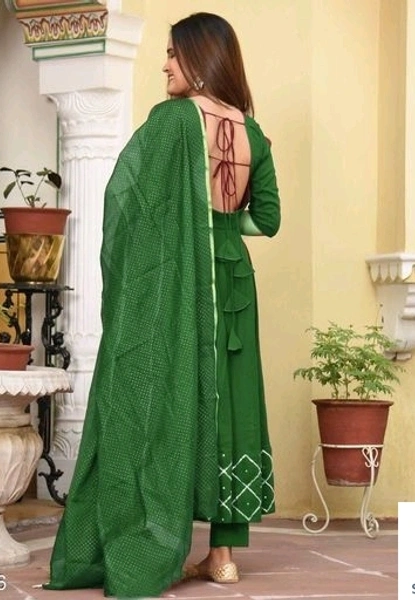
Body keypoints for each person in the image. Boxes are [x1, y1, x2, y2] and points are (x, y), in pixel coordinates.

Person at [45, 12, 281, 598]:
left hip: (180, 281)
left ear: (200, 59)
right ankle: (223, 556)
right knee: (231, 402)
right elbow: (268, 220)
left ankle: (153, 534)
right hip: (235, 282)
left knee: (162, 394)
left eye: (174, 53)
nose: (165, 64)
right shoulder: (253, 134)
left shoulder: (172, 121)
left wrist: (186, 228)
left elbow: (130, 201)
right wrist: (220, 226)